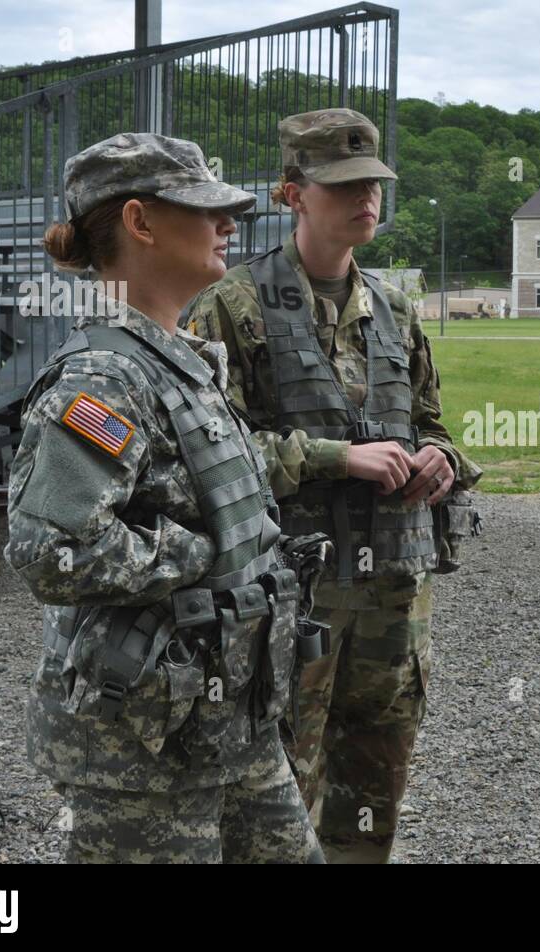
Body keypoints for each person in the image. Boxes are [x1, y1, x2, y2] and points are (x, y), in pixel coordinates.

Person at [6, 132, 325, 864]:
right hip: (142, 749)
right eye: (205, 209)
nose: (229, 224)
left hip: (227, 716)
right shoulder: (102, 380)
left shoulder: (180, 362)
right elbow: (50, 551)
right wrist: (197, 553)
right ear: (140, 223)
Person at [185, 108, 481, 863]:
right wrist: (333, 458)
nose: (366, 199)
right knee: (274, 801)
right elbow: (203, 457)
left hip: (392, 602)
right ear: (293, 194)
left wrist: (442, 461)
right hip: (291, 603)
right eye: (344, 185)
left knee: (372, 793)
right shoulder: (234, 307)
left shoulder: (394, 307)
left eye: (374, 184)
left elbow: (431, 422)